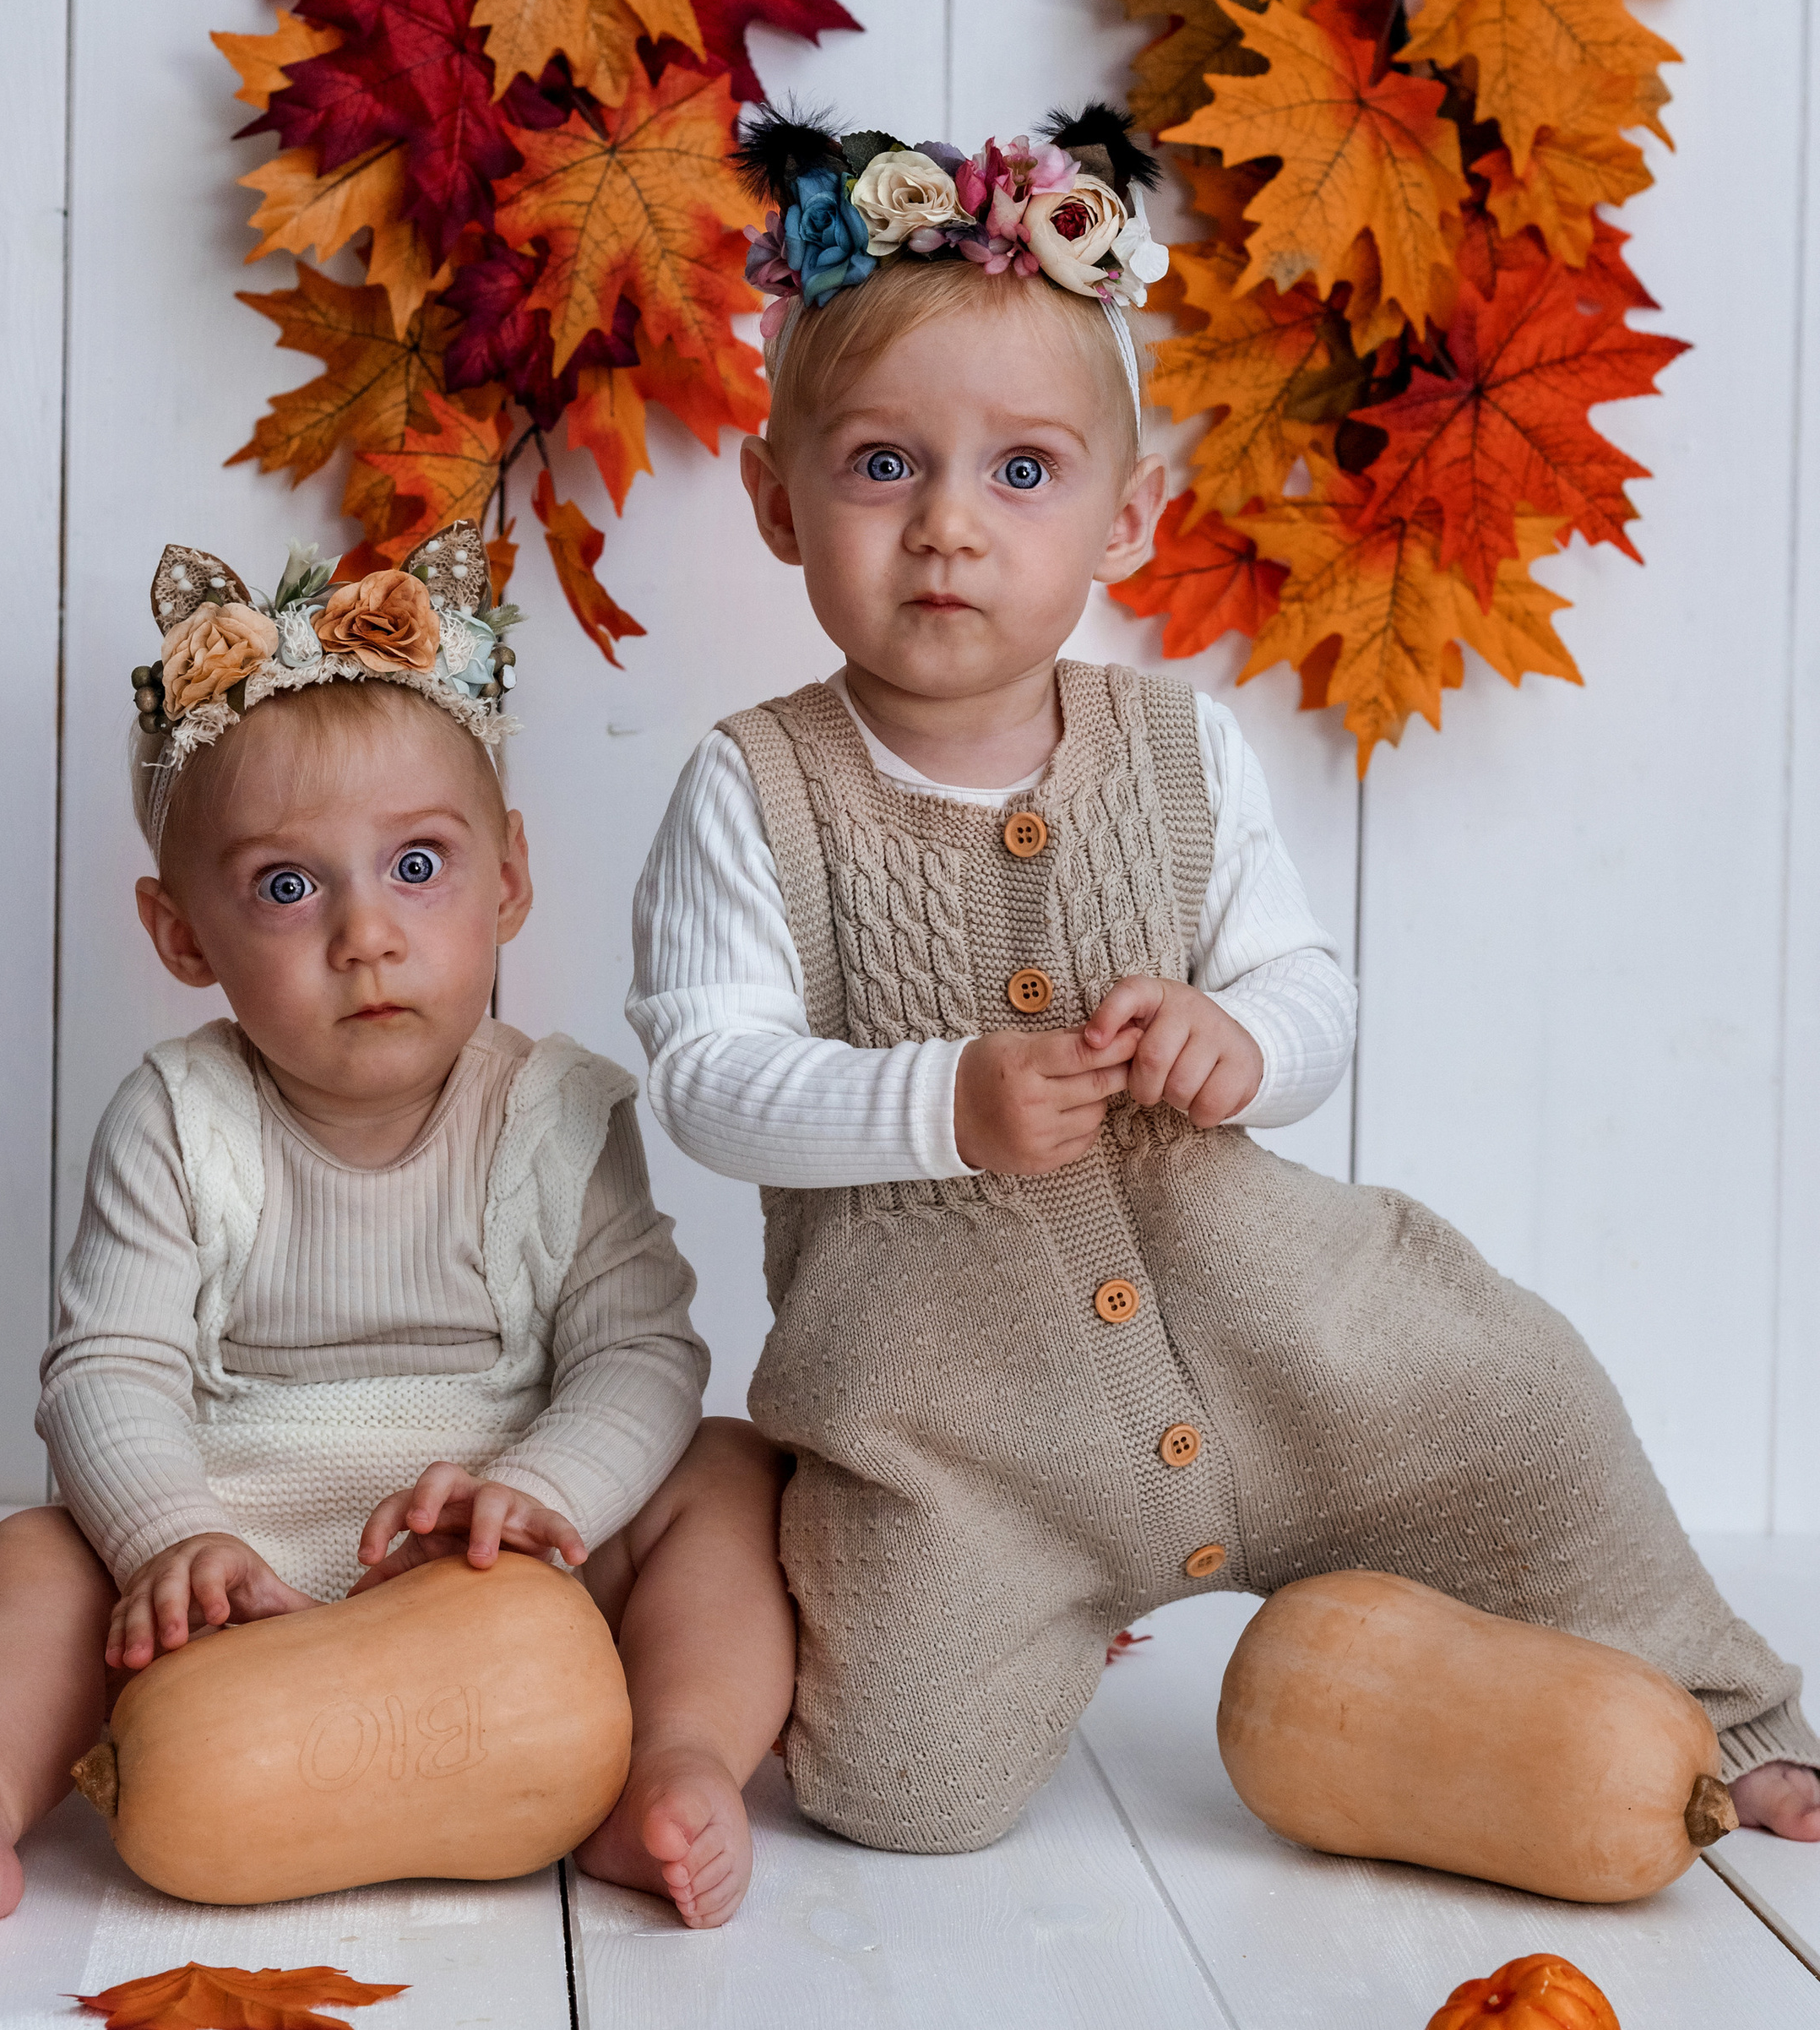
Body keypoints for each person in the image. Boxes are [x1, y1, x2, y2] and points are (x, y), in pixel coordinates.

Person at [627, 102, 1820, 1858]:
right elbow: (702, 1072)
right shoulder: (751, 784)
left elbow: (1307, 987)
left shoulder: (1177, 750)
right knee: (895, 1794)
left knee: (1518, 1401)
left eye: (1019, 470)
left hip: (1283, 1348)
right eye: (882, 464)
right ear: (776, 499)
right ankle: (942, 1587)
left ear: (1124, 514)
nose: (947, 526)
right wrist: (931, 1098)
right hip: (962, 1436)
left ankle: (1723, 1697)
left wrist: (1235, 1036)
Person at [0, 523, 794, 1941]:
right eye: (287, 886)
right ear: (180, 934)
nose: (365, 935)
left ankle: (679, 1756)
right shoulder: (180, 1117)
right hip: (240, 1522)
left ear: (510, 876)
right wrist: (168, 1538)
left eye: (418, 866)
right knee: (32, 1557)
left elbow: (639, 1354)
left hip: (497, 1540)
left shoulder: (557, 1114)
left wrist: (549, 1491)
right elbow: (108, 1370)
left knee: (725, 1474)